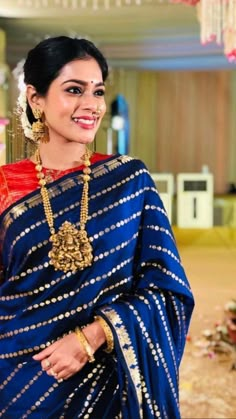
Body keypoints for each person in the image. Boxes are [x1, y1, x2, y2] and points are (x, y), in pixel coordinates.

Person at [0, 36, 194, 419]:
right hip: (17, 378)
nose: (91, 105)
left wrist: (92, 336)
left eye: (98, 91)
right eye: (74, 90)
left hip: (108, 380)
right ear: (36, 99)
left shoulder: (129, 181)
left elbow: (166, 287)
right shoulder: (5, 185)